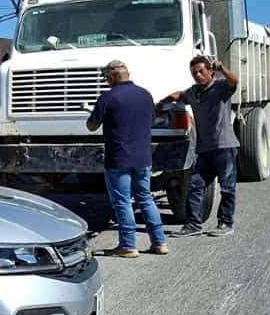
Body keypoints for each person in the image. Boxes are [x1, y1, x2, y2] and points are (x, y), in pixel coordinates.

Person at [86, 60, 168, 258]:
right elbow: (151, 121)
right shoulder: (145, 95)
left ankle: (128, 245)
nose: (106, 81)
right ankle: (159, 242)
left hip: (118, 158)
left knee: (123, 202)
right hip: (143, 157)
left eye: (107, 77)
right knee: (146, 198)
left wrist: (93, 114)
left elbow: (91, 126)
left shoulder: (108, 97)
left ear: (113, 76)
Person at [159, 55, 239, 237]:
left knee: (227, 187)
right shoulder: (193, 92)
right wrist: (161, 103)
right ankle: (194, 224)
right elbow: (179, 95)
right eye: (194, 73)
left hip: (224, 146)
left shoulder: (221, 87)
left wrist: (222, 67)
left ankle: (226, 223)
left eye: (201, 71)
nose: (198, 75)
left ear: (210, 71)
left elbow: (234, 80)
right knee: (195, 185)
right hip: (203, 150)